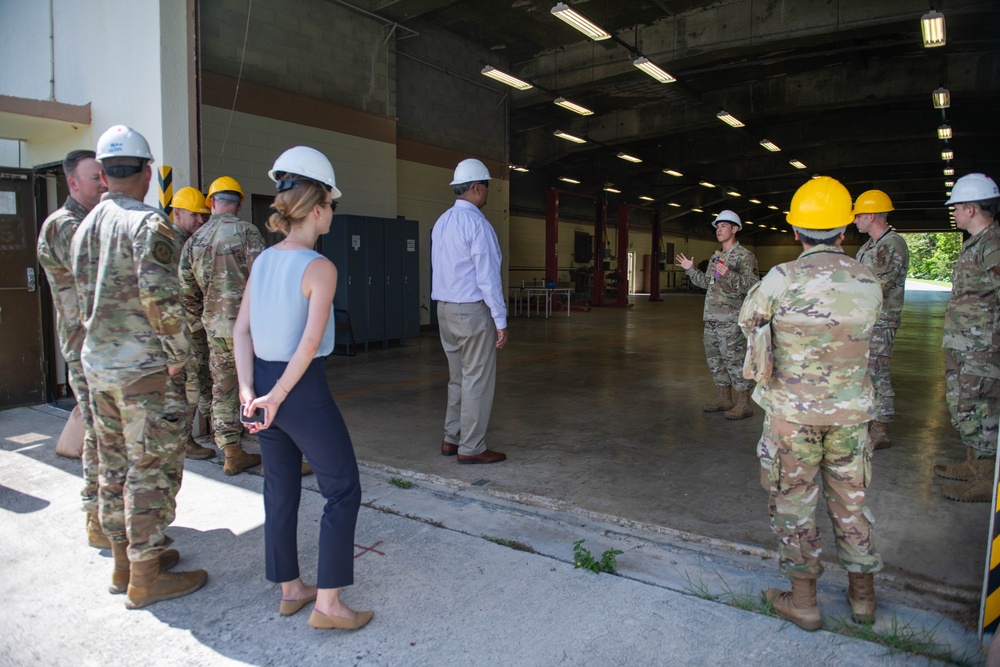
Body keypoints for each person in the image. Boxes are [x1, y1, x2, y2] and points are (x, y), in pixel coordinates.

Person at [234, 146, 372, 630]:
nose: (333, 211)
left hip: (264, 385)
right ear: (316, 209)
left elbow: (241, 332)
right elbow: (310, 342)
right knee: (343, 490)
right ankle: (329, 604)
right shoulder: (320, 268)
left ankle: (291, 589)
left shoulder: (263, 261)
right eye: (331, 204)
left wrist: (250, 390)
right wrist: (279, 396)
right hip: (301, 388)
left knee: (280, 487)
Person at [71, 125, 206, 608]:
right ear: (147, 172)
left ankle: (123, 564)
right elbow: (161, 300)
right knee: (151, 466)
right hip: (144, 372)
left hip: (99, 368)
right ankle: (146, 575)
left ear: (104, 173)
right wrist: (178, 360)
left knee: (112, 465)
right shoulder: (148, 225)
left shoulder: (85, 225)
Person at [739, 176, 883, 631]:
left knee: (794, 504)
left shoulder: (783, 277)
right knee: (851, 502)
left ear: (796, 233)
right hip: (851, 416)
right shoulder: (868, 279)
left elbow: (748, 320)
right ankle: (863, 600)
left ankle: (804, 602)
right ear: (845, 232)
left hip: (793, 418)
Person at [36, 149, 108, 548]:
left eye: (104, 175)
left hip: (100, 346)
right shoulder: (64, 226)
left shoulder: (92, 222)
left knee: (108, 432)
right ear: (73, 183)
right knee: (99, 433)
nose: (103, 183)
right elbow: (101, 280)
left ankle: (111, 517)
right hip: (85, 346)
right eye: (95, 178)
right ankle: (97, 518)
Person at [179, 175, 265, 474]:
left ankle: (231, 451)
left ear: (211, 203)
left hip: (214, 329)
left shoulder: (194, 241)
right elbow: (263, 280)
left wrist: (200, 325)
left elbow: (187, 291)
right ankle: (271, 447)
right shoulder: (249, 232)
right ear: (239, 203)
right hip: (250, 327)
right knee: (260, 384)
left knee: (223, 387)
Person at [431, 158, 508, 464]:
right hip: (472, 312)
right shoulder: (478, 224)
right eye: (487, 186)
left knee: (458, 378)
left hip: (444, 311)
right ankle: (472, 447)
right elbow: (488, 278)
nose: (487, 193)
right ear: (477, 188)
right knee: (477, 378)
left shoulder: (442, 221)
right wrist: (500, 320)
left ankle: (451, 438)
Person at [932, 173, 1000, 502]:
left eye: (956, 206)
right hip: (964, 345)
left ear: (971, 208)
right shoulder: (976, 243)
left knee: (982, 409)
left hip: (983, 349)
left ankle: (986, 479)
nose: (953, 212)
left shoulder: (993, 244)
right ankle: (973, 465)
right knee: (964, 407)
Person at [675, 210, 759, 420]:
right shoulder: (716, 257)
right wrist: (691, 269)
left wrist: (729, 274)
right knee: (716, 360)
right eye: (717, 226)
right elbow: (707, 283)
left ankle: (744, 403)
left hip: (731, 319)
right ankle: (724, 398)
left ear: (735, 229)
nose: (719, 230)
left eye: (724, 226)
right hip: (711, 318)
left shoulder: (745, 256)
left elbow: (753, 286)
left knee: (735, 360)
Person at [852, 190, 909, 450]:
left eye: (858, 215)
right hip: (863, 320)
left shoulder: (892, 245)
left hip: (880, 320)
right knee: (863, 373)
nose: (854, 221)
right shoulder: (867, 248)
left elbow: (879, 286)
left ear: (872, 216)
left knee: (878, 373)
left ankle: (880, 428)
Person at [170, 187, 215, 460]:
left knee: (199, 382)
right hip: (183, 328)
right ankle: (184, 440)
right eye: (194, 215)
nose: (200, 220)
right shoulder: (176, 244)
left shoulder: (185, 240)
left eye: (204, 215)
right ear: (177, 213)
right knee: (193, 384)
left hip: (187, 326)